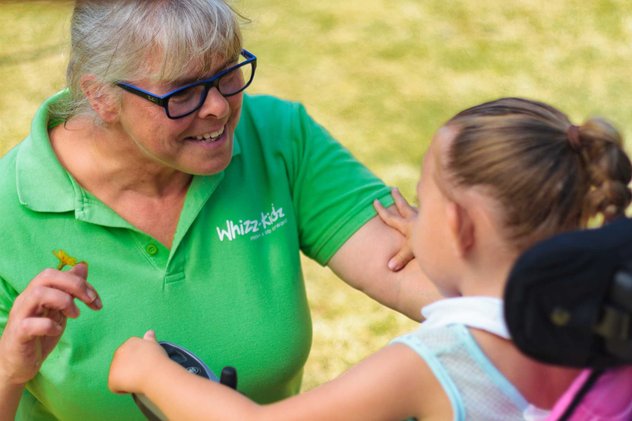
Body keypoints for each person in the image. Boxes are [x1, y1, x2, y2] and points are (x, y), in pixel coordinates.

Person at [0, 1, 439, 420]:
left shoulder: (279, 138)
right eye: (184, 91)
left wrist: (463, 260)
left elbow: (417, 281)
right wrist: (8, 372)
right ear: (100, 96)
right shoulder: (9, 210)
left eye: (228, 73)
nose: (217, 107)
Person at [108, 97, 632, 420]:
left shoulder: (435, 363)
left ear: (460, 227)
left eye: (425, 200)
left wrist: (154, 375)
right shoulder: (598, 321)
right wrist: (444, 252)